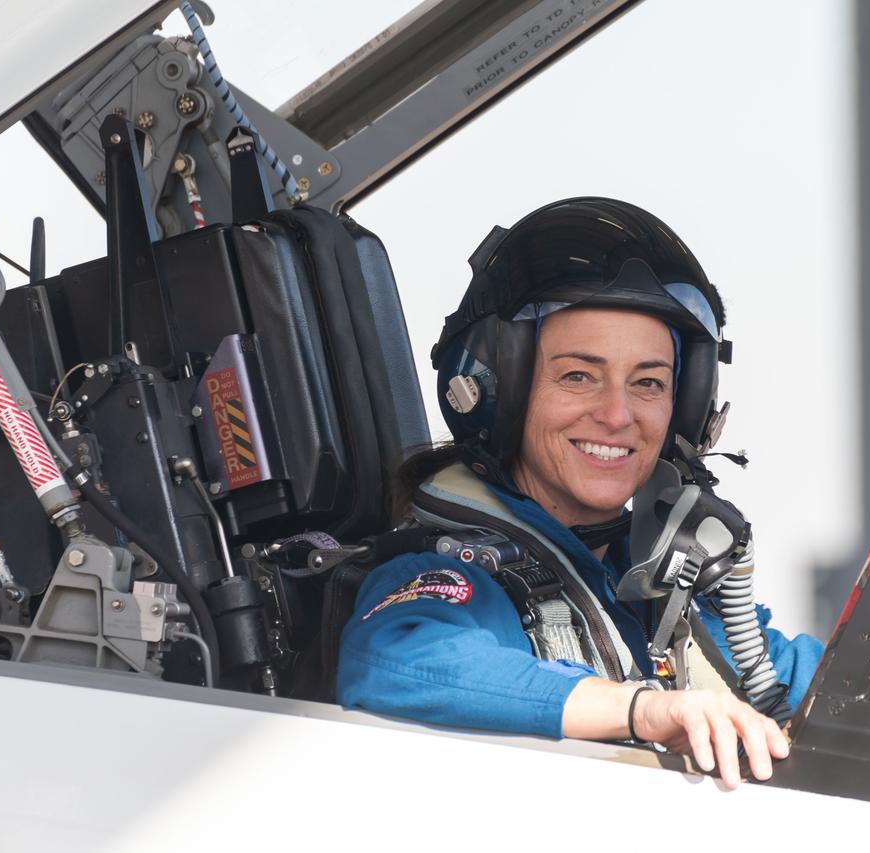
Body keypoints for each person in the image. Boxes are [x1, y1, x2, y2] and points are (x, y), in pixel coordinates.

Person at [337, 197, 823, 787]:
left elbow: (837, 685)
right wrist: (646, 710)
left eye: (648, 382)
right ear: (501, 389)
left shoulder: (658, 595)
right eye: (578, 376)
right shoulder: (460, 578)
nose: (617, 414)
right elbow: (395, 659)